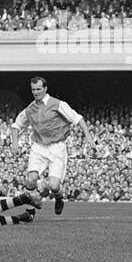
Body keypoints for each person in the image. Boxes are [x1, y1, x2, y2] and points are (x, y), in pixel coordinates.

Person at [10, 75, 93, 215]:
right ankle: (30, 212)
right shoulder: (30, 109)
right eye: (33, 89)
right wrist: (15, 144)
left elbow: (78, 119)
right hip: (38, 147)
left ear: (45, 88)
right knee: (31, 179)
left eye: (38, 89)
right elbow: (16, 126)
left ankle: (59, 197)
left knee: (54, 185)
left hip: (57, 147)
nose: (36, 92)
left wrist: (89, 138)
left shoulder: (58, 104)